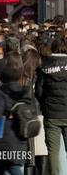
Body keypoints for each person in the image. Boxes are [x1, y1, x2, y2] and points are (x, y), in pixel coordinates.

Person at [0, 52, 33, 175]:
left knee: (3, 170)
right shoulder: (26, 92)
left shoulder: (1, 93)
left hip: (2, 143)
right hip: (21, 141)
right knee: (14, 168)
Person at [35, 37, 67, 175]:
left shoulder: (45, 65)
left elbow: (39, 91)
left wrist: (45, 105)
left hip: (52, 114)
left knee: (53, 151)